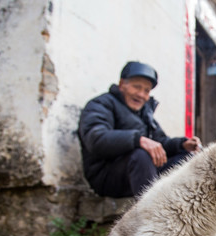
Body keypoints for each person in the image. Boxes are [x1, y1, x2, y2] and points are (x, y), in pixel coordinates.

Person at [78, 61, 201, 198]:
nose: (141, 94)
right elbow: (96, 139)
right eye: (137, 87)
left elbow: (160, 142)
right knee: (141, 155)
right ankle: (152, 215)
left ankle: (190, 210)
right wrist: (138, 140)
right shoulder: (101, 104)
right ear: (122, 84)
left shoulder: (144, 113)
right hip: (107, 177)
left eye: (146, 91)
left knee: (188, 159)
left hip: (144, 173)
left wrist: (182, 144)